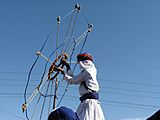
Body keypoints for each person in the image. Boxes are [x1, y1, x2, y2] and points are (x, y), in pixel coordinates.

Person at [61, 53, 105, 120]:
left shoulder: (88, 71)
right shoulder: (91, 70)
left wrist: (63, 73)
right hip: (89, 102)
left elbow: (73, 80)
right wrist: (67, 67)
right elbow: (75, 78)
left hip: (89, 104)